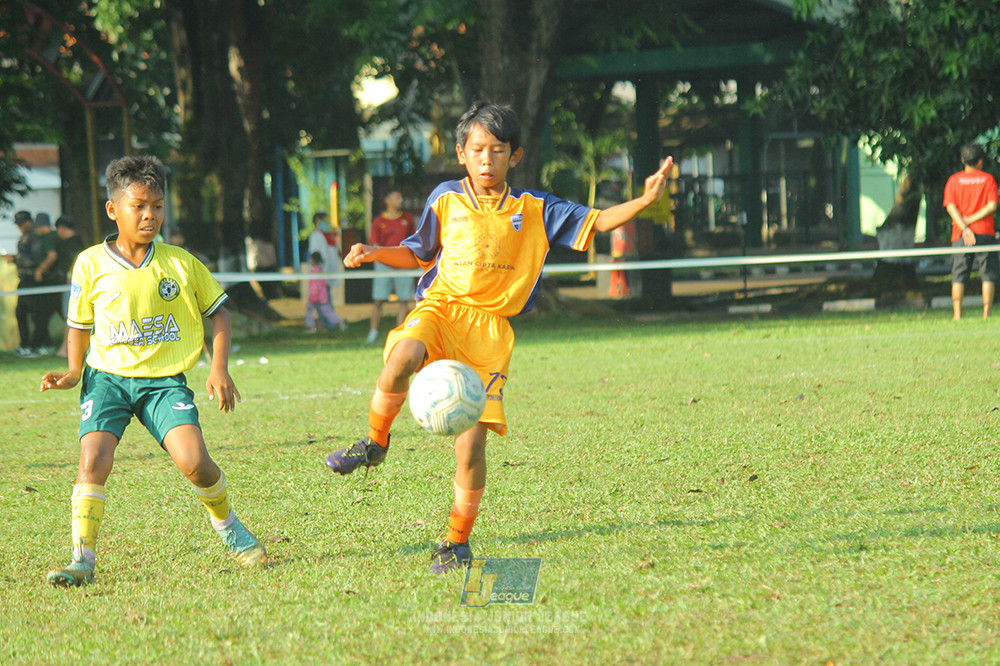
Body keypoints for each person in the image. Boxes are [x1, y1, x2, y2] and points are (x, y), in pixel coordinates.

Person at [325, 101, 673, 573]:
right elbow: (419, 253)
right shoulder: (445, 198)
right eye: (478, 150)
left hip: (489, 334)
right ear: (461, 154)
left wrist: (644, 201)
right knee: (402, 355)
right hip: (441, 310)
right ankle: (374, 442)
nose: (487, 159)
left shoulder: (535, 209)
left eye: (498, 150)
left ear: (516, 155)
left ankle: (455, 543)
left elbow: (598, 221)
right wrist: (374, 252)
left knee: (470, 446)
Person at [39, 155, 267, 587]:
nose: (150, 216)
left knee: (195, 462)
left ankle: (229, 527)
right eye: (139, 205)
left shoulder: (180, 262)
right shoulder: (89, 264)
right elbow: (78, 325)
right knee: (93, 462)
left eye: (157, 206)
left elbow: (219, 315)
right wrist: (72, 371)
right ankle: (82, 559)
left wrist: (218, 366)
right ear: (113, 209)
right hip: (105, 379)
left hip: (163, 382)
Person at [944, 142, 999, 320]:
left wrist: (964, 227)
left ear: (963, 160)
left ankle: (957, 314)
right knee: (988, 274)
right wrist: (972, 221)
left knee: (958, 274)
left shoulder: (954, 181)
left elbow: (951, 207)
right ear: (980, 162)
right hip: (984, 232)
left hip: (960, 234)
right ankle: (987, 313)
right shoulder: (988, 179)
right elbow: (992, 206)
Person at [366, 190, 416, 344]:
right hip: (384, 265)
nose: (400, 200)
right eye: (396, 197)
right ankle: (373, 332)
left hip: (403, 265)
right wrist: (377, 260)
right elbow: (374, 243)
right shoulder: (379, 221)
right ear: (387, 201)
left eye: (401, 197)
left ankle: (399, 334)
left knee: (404, 300)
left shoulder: (407, 219)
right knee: (378, 300)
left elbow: (414, 240)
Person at [7, 210, 47, 356]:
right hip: (24, 280)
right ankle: (26, 344)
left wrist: (16, 260)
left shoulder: (35, 237)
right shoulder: (26, 237)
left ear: (29, 221)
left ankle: (35, 345)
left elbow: (35, 260)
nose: (20, 226)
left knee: (36, 314)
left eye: (22, 223)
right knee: (21, 313)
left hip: (32, 280)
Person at [307, 211, 346, 331]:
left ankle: (330, 323)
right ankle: (329, 323)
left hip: (328, 272)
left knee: (324, 301)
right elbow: (315, 254)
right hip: (320, 274)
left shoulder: (330, 237)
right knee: (322, 301)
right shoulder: (316, 236)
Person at [53, 216, 85, 358]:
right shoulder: (77, 241)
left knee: (70, 318)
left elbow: (76, 259)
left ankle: (65, 349)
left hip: (72, 285)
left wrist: (70, 276)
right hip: (72, 283)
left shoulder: (73, 243)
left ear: (62, 228)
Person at [33, 213, 61, 353]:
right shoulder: (56, 236)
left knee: (42, 315)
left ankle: (43, 345)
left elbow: (52, 256)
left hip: (51, 282)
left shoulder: (49, 238)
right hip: (58, 282)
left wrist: (40, 270)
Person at [305, 251, 345, 332]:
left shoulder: (315, 272)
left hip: (316, 296)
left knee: (310, 310)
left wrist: (314, 294)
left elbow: (315, 285)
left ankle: (311, 327)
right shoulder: (320, 270)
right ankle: (339, 321)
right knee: (326, 311)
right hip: (322, 296)